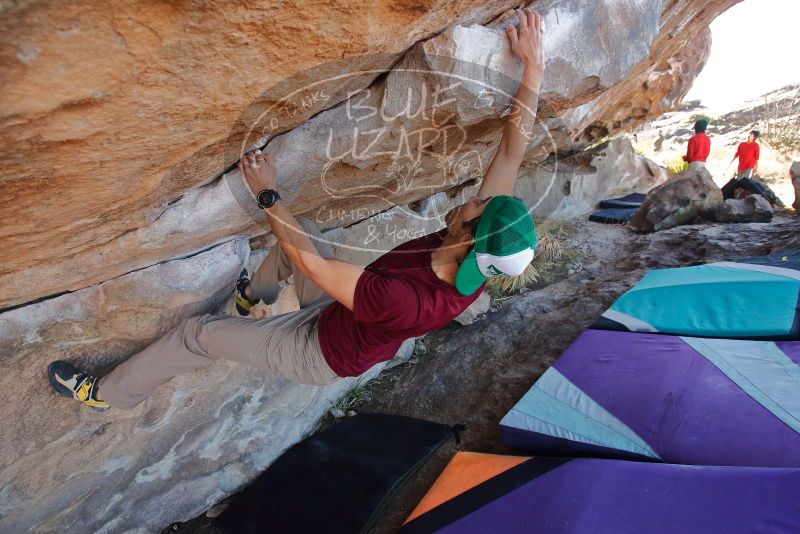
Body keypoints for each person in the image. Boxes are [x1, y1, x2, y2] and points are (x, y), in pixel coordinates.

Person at [47, 8, 546, 411]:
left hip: (318, 352)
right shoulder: (478, 259)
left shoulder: (408, 301)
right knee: (301, 230)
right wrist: (533, 70)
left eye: (476, 206)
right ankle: (251, 298)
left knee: (199, 333)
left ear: (466, 238)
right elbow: (510, 154)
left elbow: (314, 265)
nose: (473, 198)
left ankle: (106, 394)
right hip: (341, 315)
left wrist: (268, 192)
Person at [722, 130, 783, 206]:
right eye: (750, 134)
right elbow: (737, 153)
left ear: (754, 137)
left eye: (751, 134)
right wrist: (731, 161)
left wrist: (756, 168)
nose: (749, 135)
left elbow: (756, 157)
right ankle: (737, 197)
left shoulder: (755, 146)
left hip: (749, 165)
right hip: (741, 166)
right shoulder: (742, 144)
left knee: (746, 181)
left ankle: (755, 197)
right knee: (739, 181)